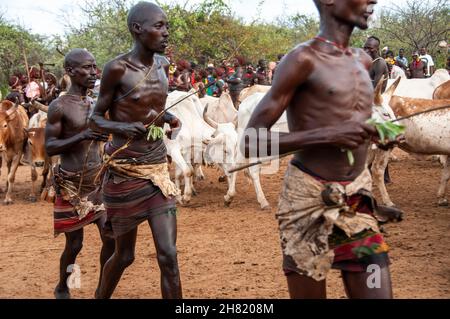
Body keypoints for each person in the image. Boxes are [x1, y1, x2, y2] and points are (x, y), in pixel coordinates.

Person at [242, 0, 393, 299]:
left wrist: (385, 132)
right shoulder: (302, 60)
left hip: (356, 201)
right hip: (306, 202)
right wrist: (326, 135)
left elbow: (362, 121)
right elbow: (251, 141)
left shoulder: (363, 61)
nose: (373, 1)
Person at [90, 2, 182, 299]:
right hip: (125, 175)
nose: (166, 32)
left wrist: (168, 118)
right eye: (159, 26)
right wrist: (122, 128)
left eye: (167, 26)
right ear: (137, 29)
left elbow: (154, 107)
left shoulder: (163, 65)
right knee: (125, 255)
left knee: (168, 256)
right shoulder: (117, 69)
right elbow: (95, 118)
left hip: (157, 172)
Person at [45, 48, 115, 299]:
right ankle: (63, 286)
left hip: (98, 183)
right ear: (70, 71)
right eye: (87, 67)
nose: (93, 72)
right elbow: (49, 146)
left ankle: (101, 289)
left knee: (111, 238)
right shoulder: (59, 106)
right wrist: (83, 135)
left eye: (95, 67)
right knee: (75, 244)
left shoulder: (95, 105)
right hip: (71, 186)